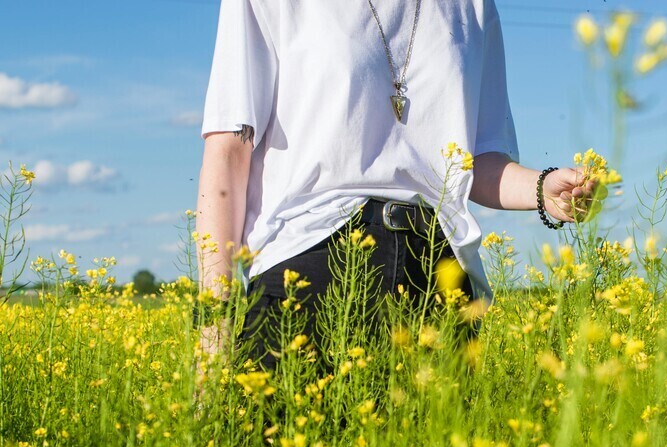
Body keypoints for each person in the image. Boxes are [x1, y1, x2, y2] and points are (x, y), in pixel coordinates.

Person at [193, 0, 597, 380]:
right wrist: (215, 334)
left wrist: (543, 189)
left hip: (437, 272)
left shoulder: (473, 6)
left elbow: (478, 159)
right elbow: (228, 155)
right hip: (308, 267)